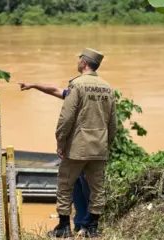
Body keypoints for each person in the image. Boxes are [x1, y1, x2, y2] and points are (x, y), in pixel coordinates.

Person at [48, 48, 117, 238]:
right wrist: (106, 144)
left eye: (79, 59)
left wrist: (60, 141)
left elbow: (66, 118)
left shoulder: (76, 85)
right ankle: (93, 227)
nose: (78, 61)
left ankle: (63, 228)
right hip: (99, 147)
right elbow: (113, 123)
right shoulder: (107, 87)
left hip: (77, 147)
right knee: (97, 188)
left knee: (65, 185)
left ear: (84, 63)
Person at [18, 83, 91, 232]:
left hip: (85, 148)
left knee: (85, 184)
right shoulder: (73, 97)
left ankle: (87, 225)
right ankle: (79, 225)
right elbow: (54, 90)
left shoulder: (88, 101)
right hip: (75, 150)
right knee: (76, 185)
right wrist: (33, 85)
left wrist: (60, 143)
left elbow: (65, 123)